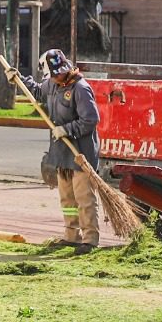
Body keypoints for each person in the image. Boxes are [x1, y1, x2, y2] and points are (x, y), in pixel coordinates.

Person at [23, 48, 101, 252]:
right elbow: (39, 91)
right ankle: (71, 235)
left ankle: (90, 239)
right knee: (67, 198)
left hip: (80, 153)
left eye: (60, 72)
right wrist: (20, 80)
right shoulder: (53, 84)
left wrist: (66, 129)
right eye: (54, 74)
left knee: (84, 197)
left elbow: (90, 120)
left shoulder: (80, 88)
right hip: (62, 153)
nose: (58, 76)